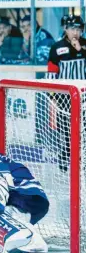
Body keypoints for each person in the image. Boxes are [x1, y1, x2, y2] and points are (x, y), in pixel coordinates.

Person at [45, 14, 86, 171]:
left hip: (83, 95)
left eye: (78, 29)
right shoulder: (57, 47)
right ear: (65, 29)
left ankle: (77, 159)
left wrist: (80, 49)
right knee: (68, 131)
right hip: (64, 96)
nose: (75, 32)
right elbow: (52, 73)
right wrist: (52, 96)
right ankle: (65, 154)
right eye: (71, 29)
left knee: (83, 129)